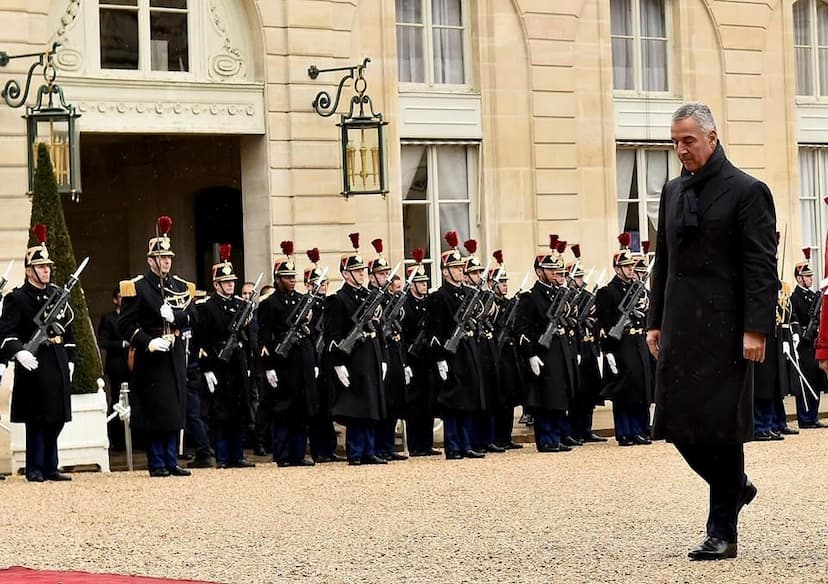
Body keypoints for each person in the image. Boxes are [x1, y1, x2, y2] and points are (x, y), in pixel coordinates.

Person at [646, 102, 777, 560]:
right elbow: (664, 262)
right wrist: (654, 319)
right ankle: (735, 487)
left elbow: (761, 266)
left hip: (728, 330)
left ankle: (722, 532)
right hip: (681, 326)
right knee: (675, 422)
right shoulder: (671, 191)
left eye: (689, 140)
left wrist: (757, 328)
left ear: (712, 138)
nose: (681, 149)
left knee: (722, 430)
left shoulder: (748, 191)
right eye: (676, 141)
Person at [118, 216, 198, 478]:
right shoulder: (138, 287)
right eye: (161, 258)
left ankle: (172, 458)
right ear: (150, 260)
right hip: (151, 355)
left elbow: (194, 316)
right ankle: (157, 461)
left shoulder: (179, 286)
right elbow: (126, 326)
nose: (166, 262)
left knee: (175, 405)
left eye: (169, 258)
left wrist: (177, 317)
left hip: (174, 350)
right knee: (156, 408)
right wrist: (148, 341)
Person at [0, 224, 76, 482]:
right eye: (41, 267)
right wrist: (19, 352)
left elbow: (69, 329)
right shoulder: (17, 298)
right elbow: (6, 331)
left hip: (56, 358)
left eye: (48, 267)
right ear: (29, 270)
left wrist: (71, 359)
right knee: (37, 417)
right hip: (33, 360)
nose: (46, 271)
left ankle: (51, 465)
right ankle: (36, 466)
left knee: (57, 416)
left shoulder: (56, 294)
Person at [325, 233, 388, 465]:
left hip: (370, 353)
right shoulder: (338, 299)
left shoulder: (370, 296)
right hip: (352, 357)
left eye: (363, 270)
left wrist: (382, 356)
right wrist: (338, 363)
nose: (362, 274)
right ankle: (355, 451)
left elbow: (379, 327)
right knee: (356, 406)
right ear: (345, 273)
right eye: (357, 271)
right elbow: (332, 335)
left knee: (371, 405)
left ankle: (369, 450)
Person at [425, 231, 486, 460]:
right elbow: (433, 332)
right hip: (450, 354)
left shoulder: (468, 294)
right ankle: (452, 445)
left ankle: (466, 443)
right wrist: (439, 358)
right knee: (453, 401)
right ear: (445, 271)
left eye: (462, 267)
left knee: (468, 397)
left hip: (466, 350)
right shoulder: (439, 297)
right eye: (457, 268)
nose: (462, 271)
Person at [514, 235, 576, 453]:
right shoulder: (530, 297)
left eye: (557, 271)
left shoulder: (560, 294)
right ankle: (546, 438)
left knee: (560, 395)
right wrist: (530, 354)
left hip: (559, 350)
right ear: (540, 272)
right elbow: (521, 330)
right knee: (545, 397)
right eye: (551, 271)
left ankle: (557, 436)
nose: (555, 275)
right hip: (543, 352)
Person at [196, 244, 255, 469]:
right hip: (218, 362)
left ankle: (237, 455)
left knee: (239, 408)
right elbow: (202, 341)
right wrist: (207, 369)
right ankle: (222, 456)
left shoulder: (240, 305)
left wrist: (247, 362)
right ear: (216, 284)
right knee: (221, 412)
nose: (231, 284)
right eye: (226, 282)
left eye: (232, 281)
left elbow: (247, 337)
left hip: (236, 360)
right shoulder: (207, 307)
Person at [258, 241, 316, 467]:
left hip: (300, 360)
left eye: (294, 277)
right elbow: (264, 338)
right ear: (278, 278)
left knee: (301, 410)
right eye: (287, 277)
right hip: (282, 362)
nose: (292, 280)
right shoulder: (269, 304)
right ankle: (282, 454)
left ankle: (298, 453)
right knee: (283, 410)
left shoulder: (301, 300)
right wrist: (268, 366)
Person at [596, 233, 652, 447]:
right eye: (626, 266)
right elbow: (603, 324)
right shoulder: (607, 292)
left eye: (631, 266)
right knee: (624, 391)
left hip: (638, 343)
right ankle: (625, 431)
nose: (630, 269)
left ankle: (640, 429)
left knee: (640, 389)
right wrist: (607, 351)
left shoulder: (636, 289)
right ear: (617, 268)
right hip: (621, 345)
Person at [402, 248, 440, 456]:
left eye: (426, 282)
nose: (424, 285)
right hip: (412, 357)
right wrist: (405, 362)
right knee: (414, 403)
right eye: (420, 282)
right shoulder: (406, 305)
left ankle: (427, 443)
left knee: (428, 401)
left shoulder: (428, 303)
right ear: (412, 284)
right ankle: (416, 445)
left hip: (427, 358)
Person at [489, 250, 525, 449]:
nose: (504, 285)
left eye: (505, 281)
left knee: (510, 397)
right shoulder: (490, 304)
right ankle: (496, 437)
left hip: (509, 354)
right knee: (498, 398)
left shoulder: (508, 303)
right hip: (496, 353)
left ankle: (506, 436)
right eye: (501, 282)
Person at [790, 249, 826, 427]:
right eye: (807, 276)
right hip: (804, 345)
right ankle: (804, 418)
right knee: (806, 381)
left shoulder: (814, 296)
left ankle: (813, 415)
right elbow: (795, 318)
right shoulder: (795, 297)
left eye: (811, 276)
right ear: (799, 278)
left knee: (816, 379)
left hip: (814, 342)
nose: (810, 279)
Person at [97, 286, 130, 450]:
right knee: (118, 401)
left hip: (134, 365)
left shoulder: (134, 315)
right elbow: (102, 341)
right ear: (115, 300)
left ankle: (136, 438)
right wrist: (121, 344)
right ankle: (117, 440)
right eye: (120, 297)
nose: (123, 300)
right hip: (117, 365)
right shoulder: (108, 318)